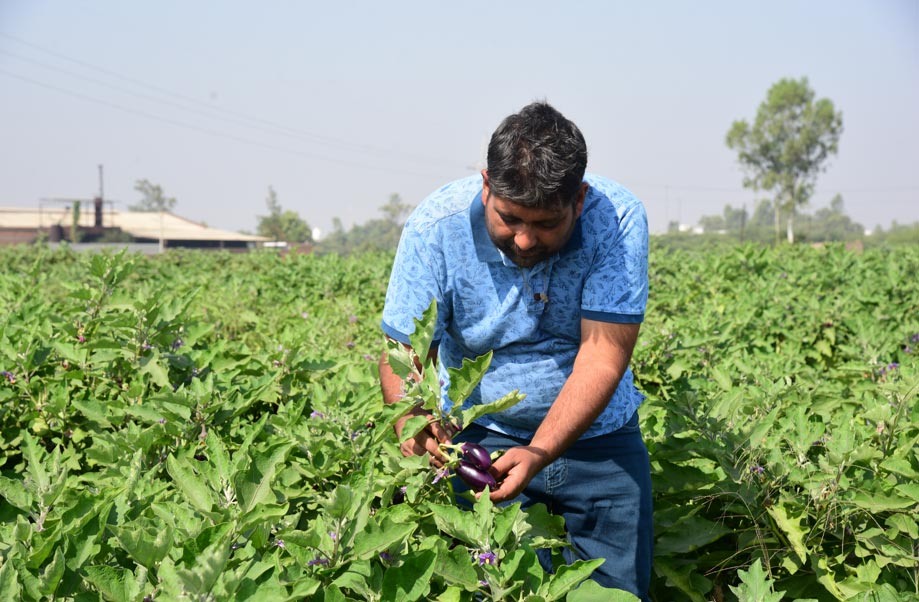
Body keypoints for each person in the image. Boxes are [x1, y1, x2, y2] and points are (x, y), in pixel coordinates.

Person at [378, 101, 652, 600]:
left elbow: (602, 356)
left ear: (579, 200)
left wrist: (539, 451)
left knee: (617, 592)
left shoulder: (617, 220)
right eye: (509, 219)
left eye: (545, 224)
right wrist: (412, 422)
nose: (524, 240)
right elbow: (404, 353)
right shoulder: (435, 228)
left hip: (600, 440)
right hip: (482, 441)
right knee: (495, 584)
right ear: (486, 186)